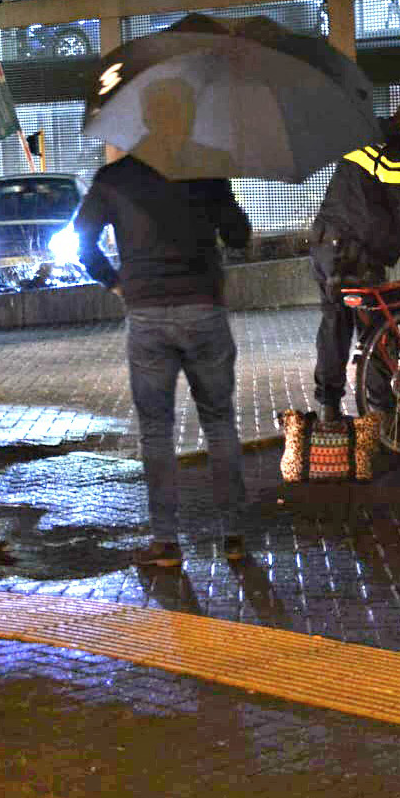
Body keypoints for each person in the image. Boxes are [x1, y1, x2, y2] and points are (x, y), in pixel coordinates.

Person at [73, 136, 253, 570]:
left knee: (156, 430)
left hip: (147, 314)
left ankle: (166, 542)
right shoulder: (205, 172)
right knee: (219, 422)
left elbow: (83, 242)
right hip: (204, 309)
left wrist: (116, 283)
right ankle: (234, 536)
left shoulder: (113, 179)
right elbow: (239, 235)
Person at [306, 93, 400, 423]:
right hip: (355, 255)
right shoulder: (396, 154)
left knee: (335, 326)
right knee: (380, 326)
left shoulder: (370, 142)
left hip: (328, 246)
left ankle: (329, 408)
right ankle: (383, 412)